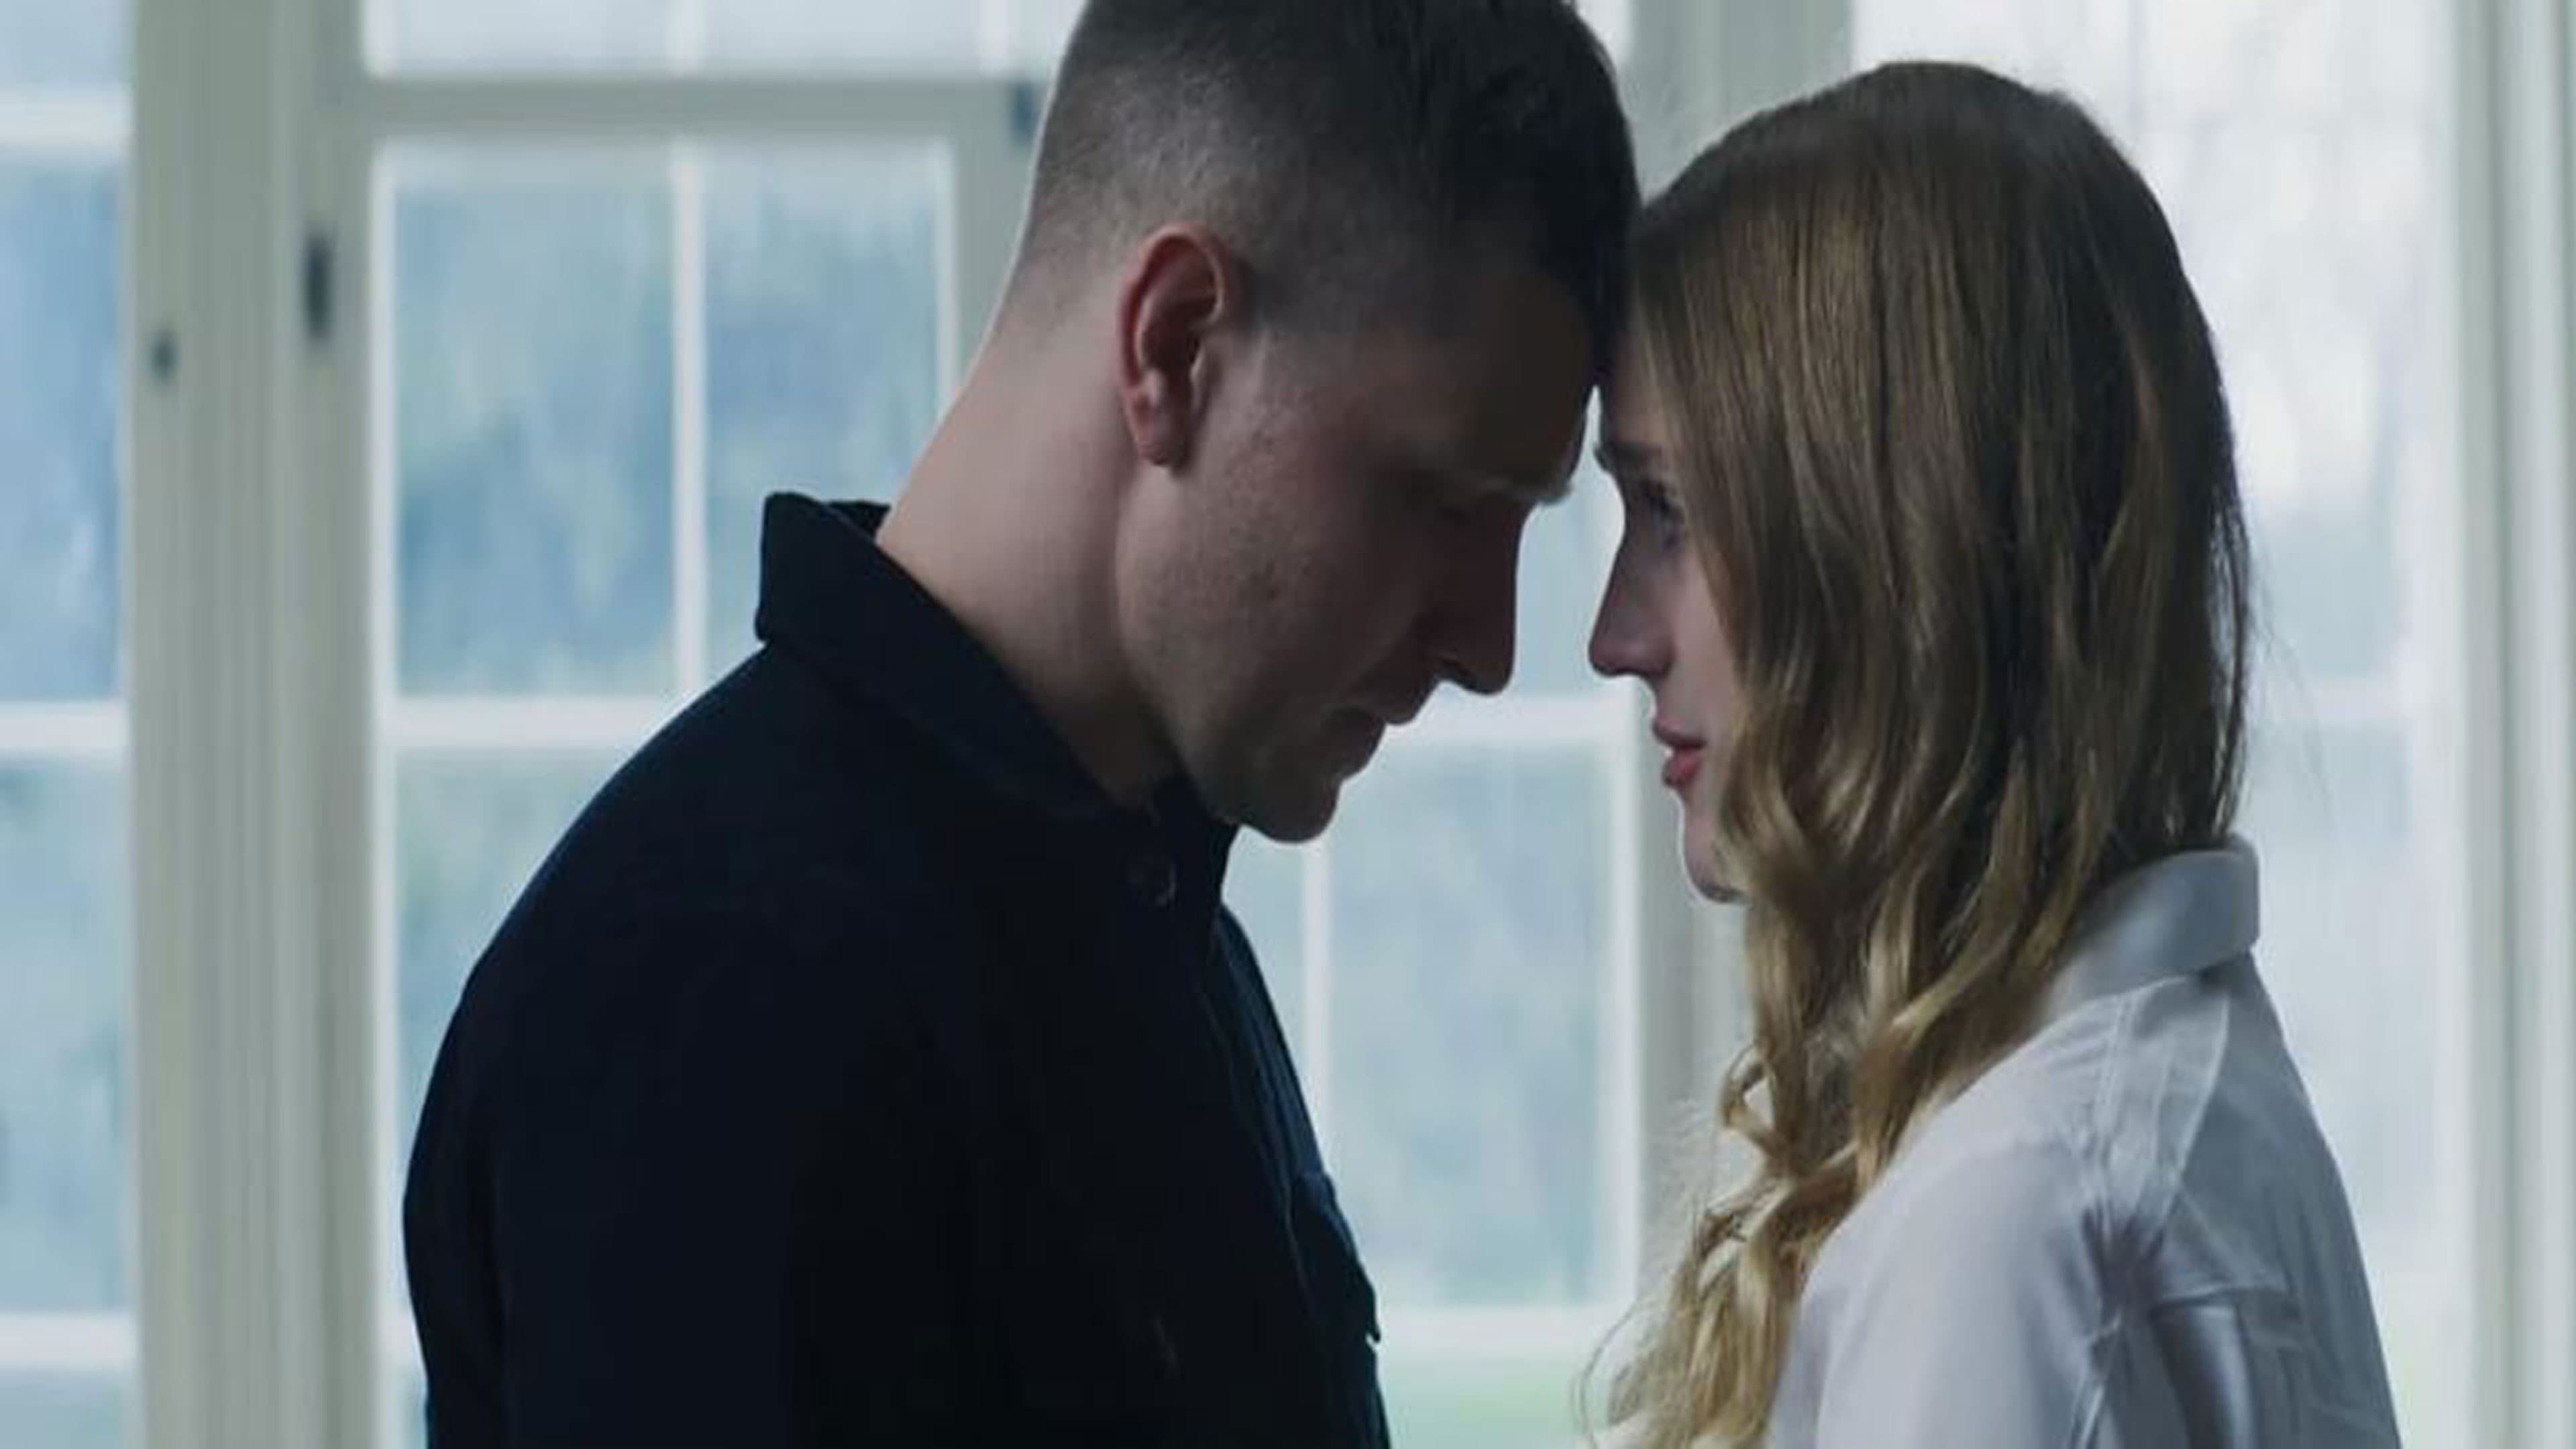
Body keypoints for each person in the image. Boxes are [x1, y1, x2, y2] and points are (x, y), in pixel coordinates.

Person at [401, 2, 1636, 1444]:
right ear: (1175, 344)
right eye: (1441, 500)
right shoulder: (722, 1003)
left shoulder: (1146, 916)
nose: (1490, 647)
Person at [1586, 61, 2400, 1448]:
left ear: (1890, 547)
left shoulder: (2019, 1218)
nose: (1615, 636)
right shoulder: (2167, 1105)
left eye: (1670, 510)